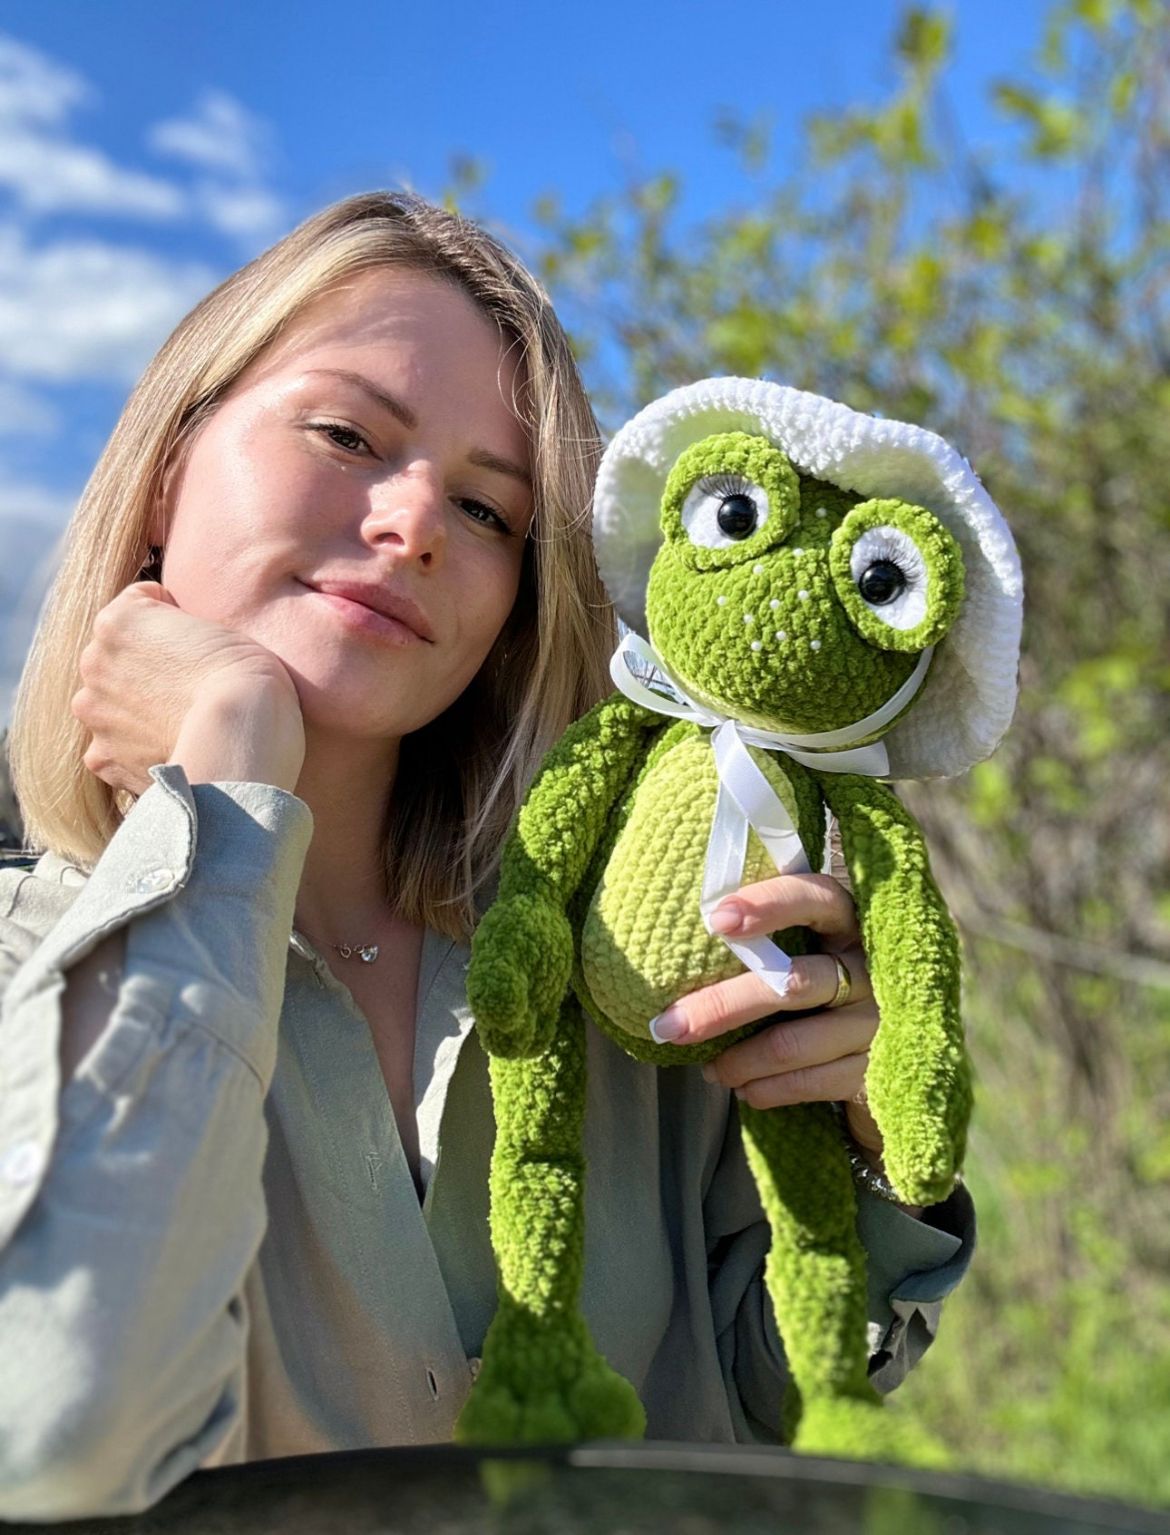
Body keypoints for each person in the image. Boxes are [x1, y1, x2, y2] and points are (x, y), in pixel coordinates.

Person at [0, 191, 973, 1521]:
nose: (415, 525)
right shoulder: (24, 964)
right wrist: (225, 779)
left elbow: (764, 1412)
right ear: (169, 466)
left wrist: (863, 1144)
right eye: (348, 435)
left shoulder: (621, 967)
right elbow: (52, 1427)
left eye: (486, 507)